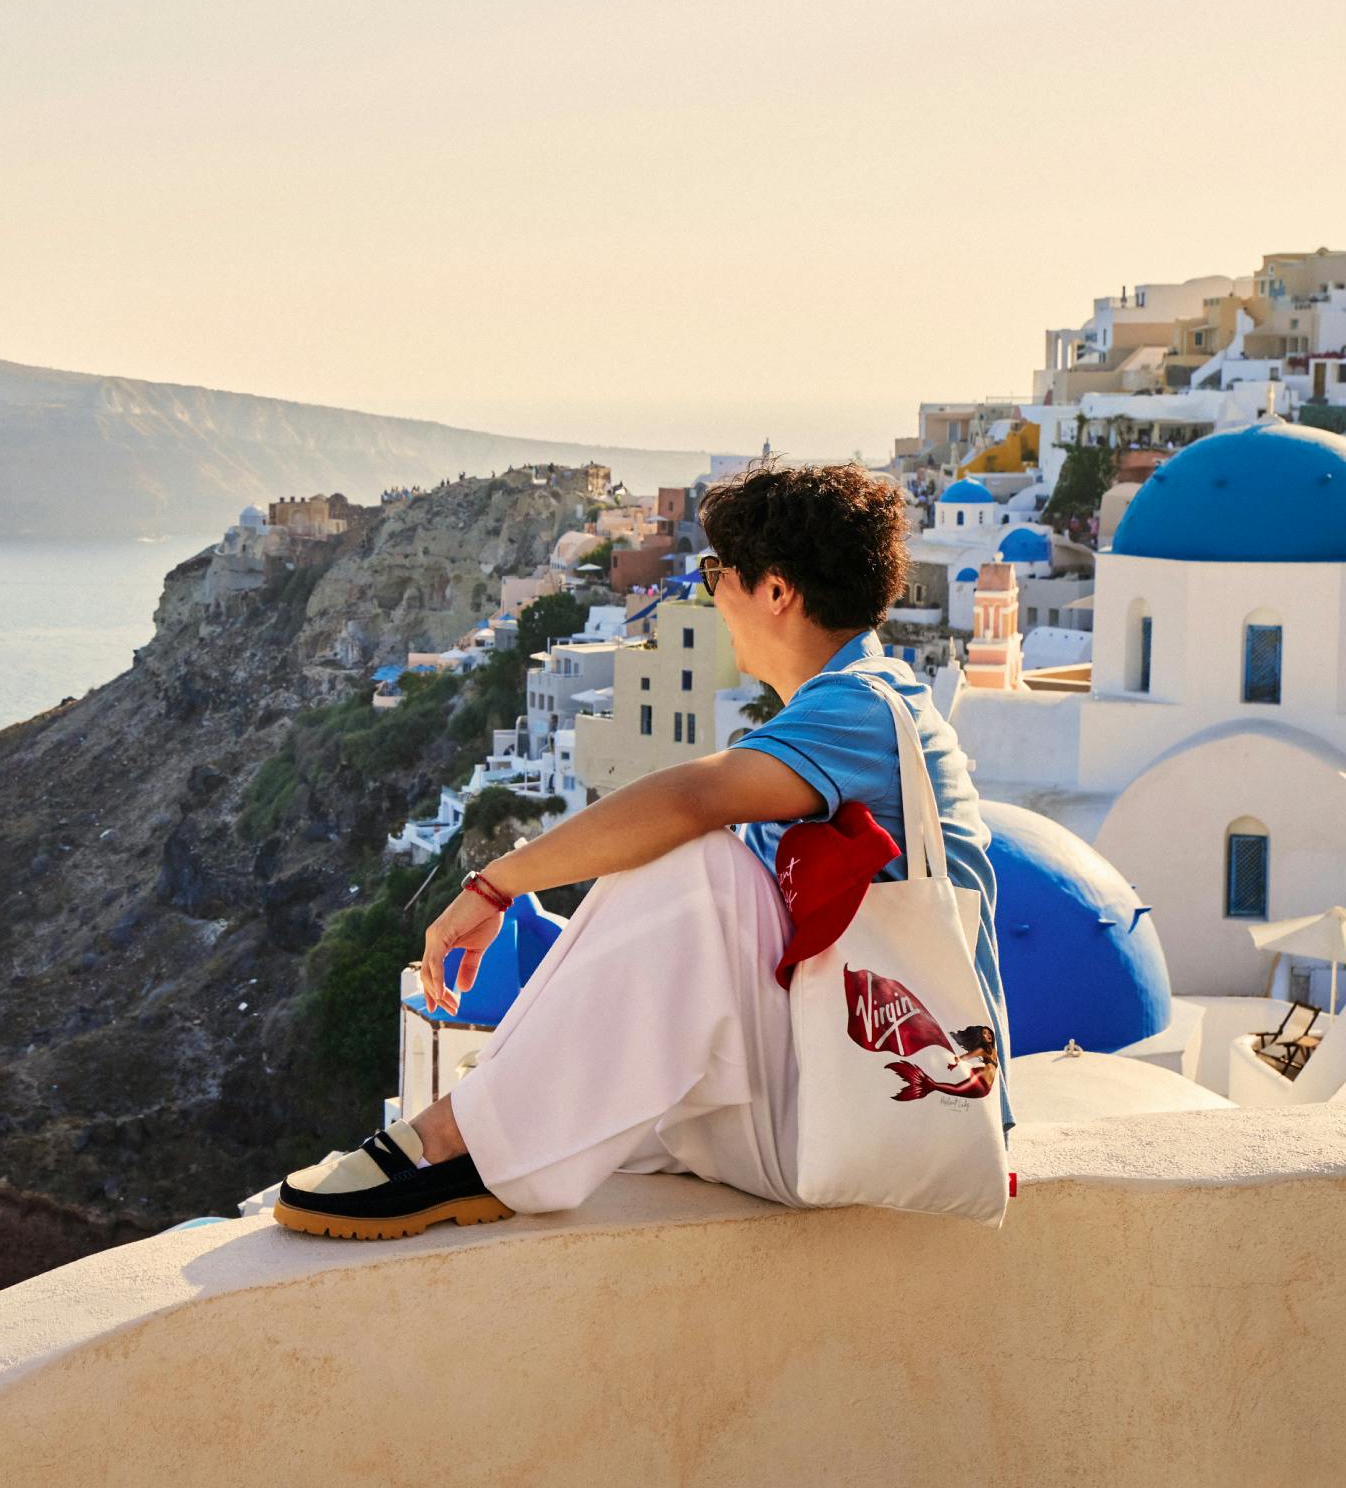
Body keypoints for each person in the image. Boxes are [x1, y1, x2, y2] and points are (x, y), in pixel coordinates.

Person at [275, 461, 1012, 1240]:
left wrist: (494, 886)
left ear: (777, 591)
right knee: (698, 875)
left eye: (718, 572)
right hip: (844, 1099)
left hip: (880, 1116)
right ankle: (484, 1127)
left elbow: (689, 803)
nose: (710, 593)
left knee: (700, 861)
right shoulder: (867, 700)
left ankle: (455, 1146)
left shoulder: (864, 709)